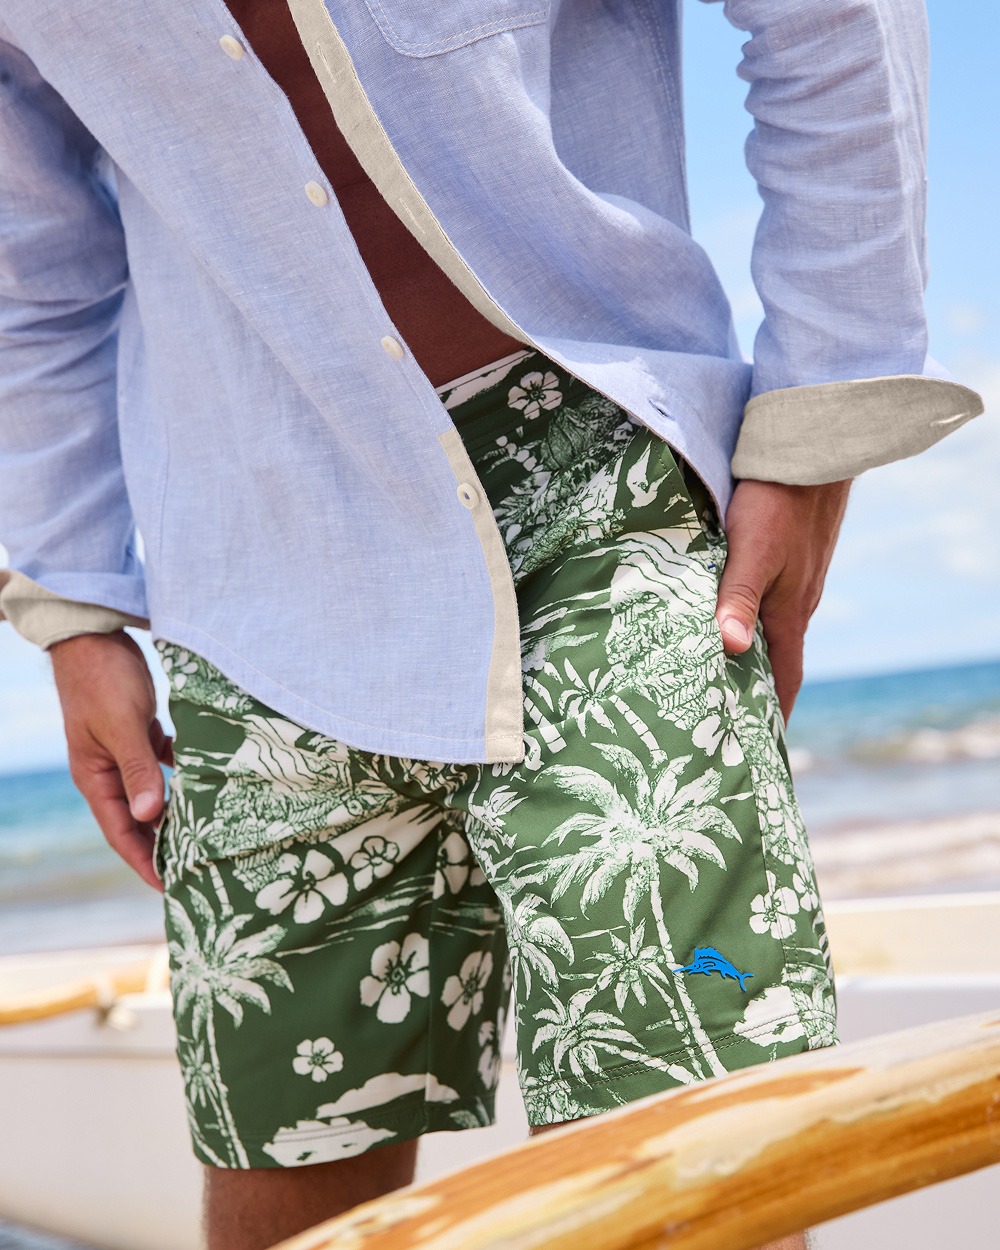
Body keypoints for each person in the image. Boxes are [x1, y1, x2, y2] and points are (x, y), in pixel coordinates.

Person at [0, 2, 983, 1249]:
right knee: (284, 1175)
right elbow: (30, 263)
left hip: (594, 489)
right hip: (247, 563)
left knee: (686, 1152)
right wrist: (74, 607)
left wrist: (816, 414)